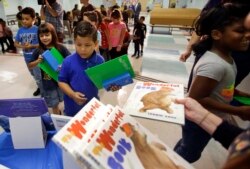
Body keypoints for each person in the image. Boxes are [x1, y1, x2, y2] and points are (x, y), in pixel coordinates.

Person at [174, 4, 250, 163]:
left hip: (211, 117)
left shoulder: (227, 58)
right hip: (197, 121)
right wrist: (237, 111)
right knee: (190, 153)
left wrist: (241, 94)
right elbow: (197, 99)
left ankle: (176, 152)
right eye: (240, 31)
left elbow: (224, 88)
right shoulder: (214, 64)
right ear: (216, 34)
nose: (248, 36)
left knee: (188, 146)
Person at [175, 97, 250, 169]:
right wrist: (203, 115)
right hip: (198, 126)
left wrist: (203, 116)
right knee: (188, 151)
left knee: (189, 150)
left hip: (204, 125)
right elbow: (243, 140)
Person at [58, 21, 104, 117]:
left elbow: (103, 82)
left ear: (95, 44)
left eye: (87, 45)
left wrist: (113, 84)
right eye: (79, 45)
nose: (83, 49)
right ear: (74, 42)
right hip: (72, 109)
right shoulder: (68, 61)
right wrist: (72, 94)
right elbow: (61, 82)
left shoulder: (100, 61)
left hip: (92, 107)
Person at [28, 23, 71, 114]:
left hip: (62, 81)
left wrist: (63, 65)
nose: (44, 38)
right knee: (53, 103)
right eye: (41, 36)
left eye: (47, 35)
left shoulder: (60, 47)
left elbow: (70, 60)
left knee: (65, 99)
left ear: (53, 34)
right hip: (48, 83)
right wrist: (38, 61)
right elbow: (30, 65)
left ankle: (67, 113)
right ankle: (57, 117)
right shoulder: (38, 50)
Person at [14, 7, 42, 97]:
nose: (24, 21)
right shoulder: (20, 30)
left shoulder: (37, 29)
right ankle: (39, 86)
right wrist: (23, 46)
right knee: (33, 74)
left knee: (38, 75)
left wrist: (32, 46)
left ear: (33, 19)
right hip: (27, 58)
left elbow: (42, 44)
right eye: (22, 19)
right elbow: (16, 43)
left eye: (27, 19)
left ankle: (43, 91)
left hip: (36, 57)